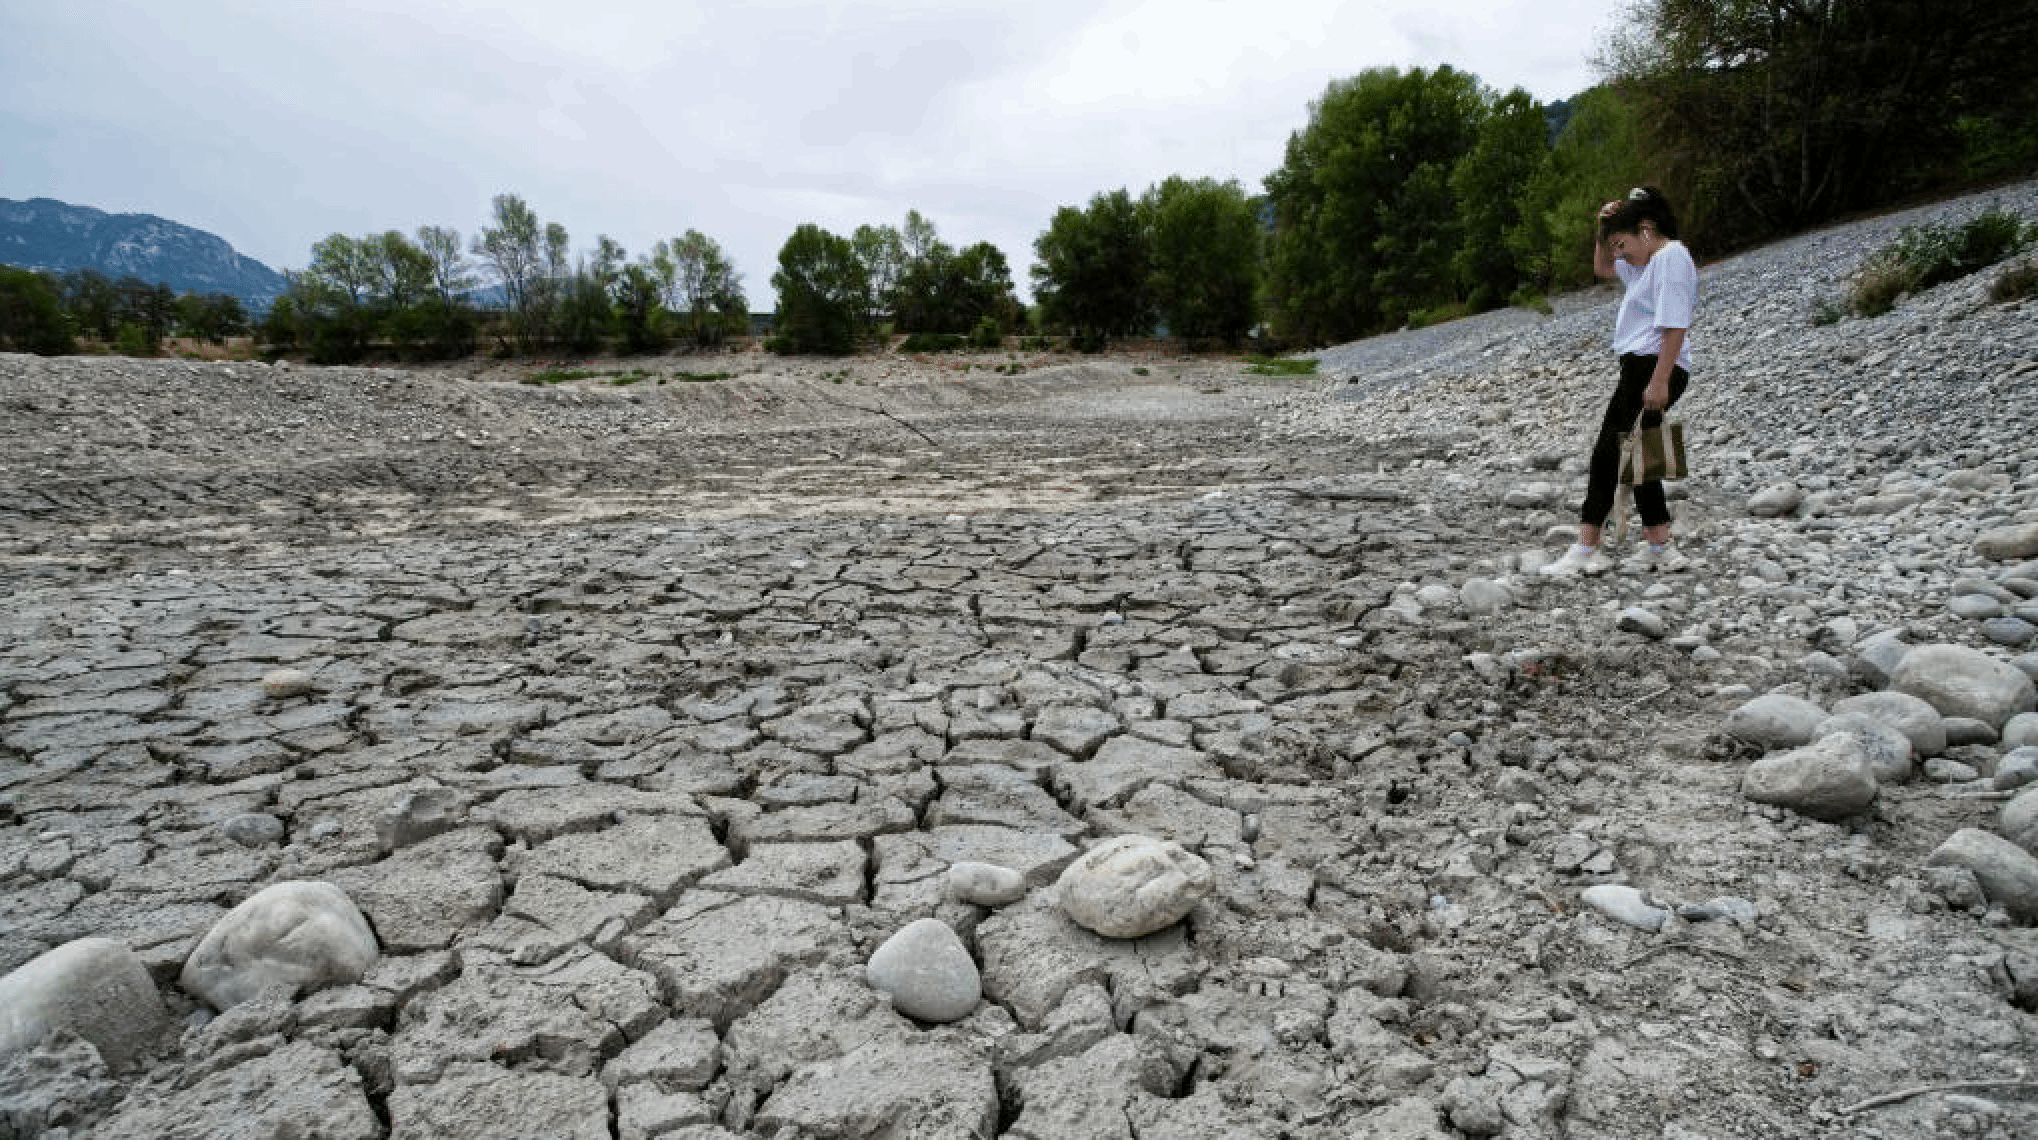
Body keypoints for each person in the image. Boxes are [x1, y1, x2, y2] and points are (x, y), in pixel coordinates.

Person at [1542, 185, 1698, 577]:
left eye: (1621, 243)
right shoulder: (1646, 263)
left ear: (1645, 229)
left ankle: (1586, 547)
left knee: (1607, 452)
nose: (1617, 253)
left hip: (1654, 365)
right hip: (1644, 365)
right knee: (1640, 452)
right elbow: (1603, 270)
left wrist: (1660, 381)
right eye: (1613, 245)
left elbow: (1676, 325)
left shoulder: (1671, 257)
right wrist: (1602, 229)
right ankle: (1660, 546)